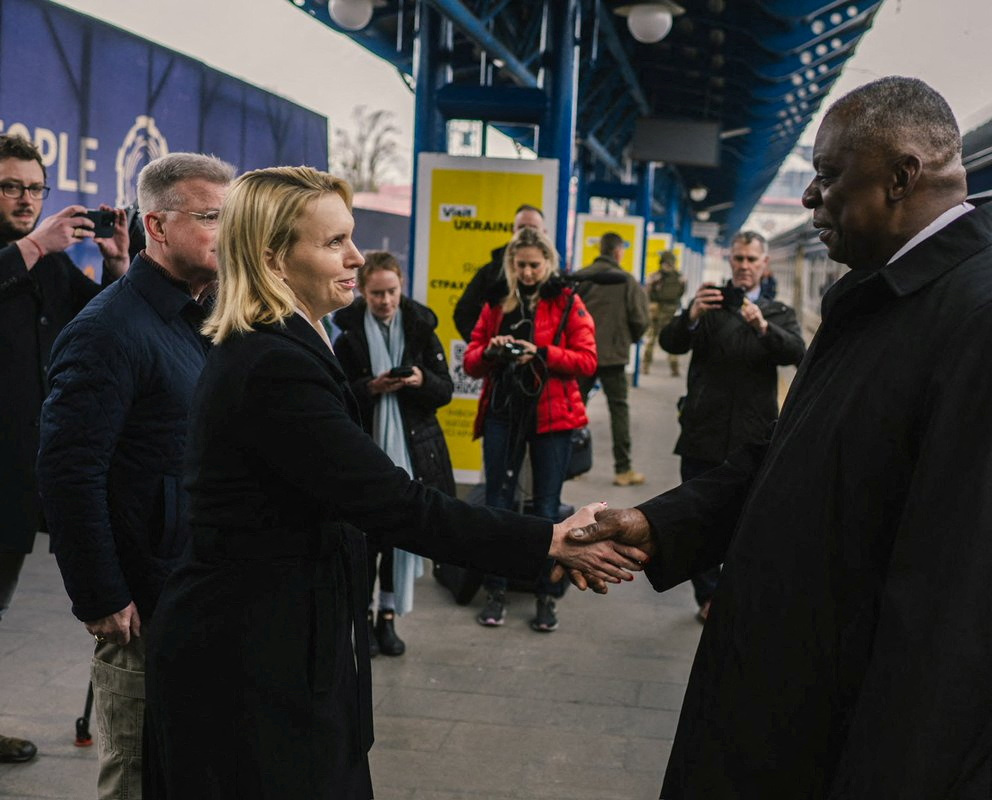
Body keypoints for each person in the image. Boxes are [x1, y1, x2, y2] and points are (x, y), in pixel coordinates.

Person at [568, 76, 992, 798]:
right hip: (788, 701)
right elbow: (789, 457)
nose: (811, 197)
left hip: (840, 736)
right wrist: (660, 524)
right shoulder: (886, 294)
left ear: (900, 177)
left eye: (828, 174)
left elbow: (970, 609)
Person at [141, 166, 642, 799]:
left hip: (275, 644)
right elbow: (393, 502)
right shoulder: (273, 364)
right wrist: (549, 539)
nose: (356, 258)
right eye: (334, 242)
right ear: (272, 259)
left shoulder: (281, 343)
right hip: (252, 664)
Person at [37, 152, 234, 798]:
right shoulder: (108, 329)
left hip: (196, 589)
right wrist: (100, 593)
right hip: (142, 605)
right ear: (157, 225)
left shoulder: (204, 316)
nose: (228, 233)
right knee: (138, 773)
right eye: (211, 217)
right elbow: (69, 471)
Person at [0, 133, 130, 764]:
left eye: (35, 188)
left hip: (19, 470)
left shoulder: (50, 264)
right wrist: (32, 246)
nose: (26, 199)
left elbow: (102, 315)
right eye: (11, 187)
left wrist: (117, 265)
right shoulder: (31, 253)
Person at [658, 230, 804, 622]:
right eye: (738, 258)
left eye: (751, 259)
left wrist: (763, 328)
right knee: (696, 521)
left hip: (753, 437)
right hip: (702, 432)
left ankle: (735, 592)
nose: (744, 266)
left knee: (747, 521)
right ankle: (709, 596)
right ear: (730, 261)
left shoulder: (777, 312)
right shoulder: (709, 306)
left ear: (764, 264)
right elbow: (670, 343)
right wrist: (690, 316)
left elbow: (798, 353)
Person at [464, 226, 597, 632]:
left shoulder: (568, 302)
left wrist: (540, 353)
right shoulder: (496, 303)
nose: (526, 273)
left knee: (546, 508)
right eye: (520, 265)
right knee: (498, 505)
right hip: (504, 412)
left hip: (552, 418)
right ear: (510, 264)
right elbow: (471, 361)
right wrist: (491, 351)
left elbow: (587, 360)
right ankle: (496, 591)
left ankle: (545, 595)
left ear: (548, 263)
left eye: (534, 266)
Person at [333, 250, 455, 657]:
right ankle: (364, 618)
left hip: (414, 450)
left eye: (391, 292)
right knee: (366, 542)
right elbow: (336, 396)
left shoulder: (421, 329)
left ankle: (388, 617)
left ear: (402, 287)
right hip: (367, 450)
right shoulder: (347, 335)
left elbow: (445, 390)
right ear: (363, 292)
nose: (385, 301)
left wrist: (420, 380)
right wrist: (371, 387)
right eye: (376, 294)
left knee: (398, 539)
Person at [574, 231, 650, 486]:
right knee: (618, 409)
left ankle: (571, 463)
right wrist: (627, 339)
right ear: (618, 252)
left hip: (582, 354)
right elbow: (640, 319)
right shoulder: (626, 280)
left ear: (601, 249)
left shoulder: (582, 276)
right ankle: (623, 470)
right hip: (614, 357)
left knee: (575, 408)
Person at [452, 203, 546, 341]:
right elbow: (464, 312)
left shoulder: (555, 280)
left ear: (544, 232)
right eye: (521, 227)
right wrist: (485, 346)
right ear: (513, 230)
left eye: (533, 228)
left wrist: (544, 351)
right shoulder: (491, 273)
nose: (527, 273)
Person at [643, 250, 686, 376]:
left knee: (651, 340)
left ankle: (646, 366)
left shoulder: (656, 276)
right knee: (671, 340)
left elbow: (648, 292)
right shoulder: (680, 277)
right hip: (670, 312)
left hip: (657, 311)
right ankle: (674, 368)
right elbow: (681, 292)